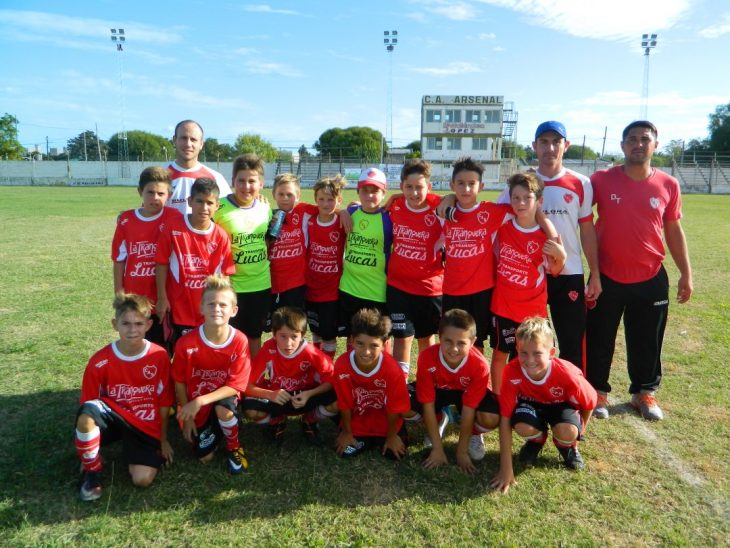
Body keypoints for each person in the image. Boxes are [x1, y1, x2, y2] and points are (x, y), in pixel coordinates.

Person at [586, 121, 692, 421]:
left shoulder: (668, 184)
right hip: (606, 275)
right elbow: (579, 215)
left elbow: (673, 229)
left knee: (647, 338)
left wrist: (686, 272)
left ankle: (644, 392)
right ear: (622, 146)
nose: (638, 144)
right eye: (631, 139)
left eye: (645, 139)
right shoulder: (601, 180)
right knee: (599, 336)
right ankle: (597, 392)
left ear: (655, 145)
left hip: (650, 276)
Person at [75, 293, 174, 501]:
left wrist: (163, 439)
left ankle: (130, 448)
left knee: (142, 479)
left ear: (148, 325)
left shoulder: (159, 355)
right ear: (115, 324)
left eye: (138, 323)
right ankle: (92, 471)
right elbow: (88, 403)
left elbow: (164, 401)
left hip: (143, 423)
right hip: (114, 416)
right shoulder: (100, 361)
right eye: (126, 323)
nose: (132, 330)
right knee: (86, 416)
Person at [491, 317, 597, 494]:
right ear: (516, 349)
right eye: (523, 353)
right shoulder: (511, 371)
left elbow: (589, 403)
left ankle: (566, 447)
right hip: (532, 406)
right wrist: (506, 469)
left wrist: (579, 434)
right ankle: (536, 440)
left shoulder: (567, 374)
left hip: (560, 406)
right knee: (522, 427)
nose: (530, 360)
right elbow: (505, 418)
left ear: (552, 352)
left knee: (568, 432)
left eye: (537, 353)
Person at [531, 121, 601, 369]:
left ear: (566, 145)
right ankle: (530, 396)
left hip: (570, 273)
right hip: (530, 274)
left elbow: (587, 229)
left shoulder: (580, 183)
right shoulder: (522, 181)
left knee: (571, 342)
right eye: (544, 142)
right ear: (534, 146)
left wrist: (595, 273)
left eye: (556, 142)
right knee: (529, 342)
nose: (550, 147)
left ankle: (571, 399)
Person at [490, 172, 566, 394]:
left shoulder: (545, 237)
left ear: (539, 201)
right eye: (516, 198)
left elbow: (554, 270)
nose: (521, 203)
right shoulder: (503, 226)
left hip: (533, 310)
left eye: (527, 198)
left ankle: (530, 395)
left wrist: (560, 256)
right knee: (500, 353)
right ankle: (497, 398)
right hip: (503, 306)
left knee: (533, 355)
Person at [171, 275, 251, 474]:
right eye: (211, 303)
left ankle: (234, 446)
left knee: (224, 410)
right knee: (205, 457)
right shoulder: (185, 343)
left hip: (221, 397)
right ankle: (217, 428)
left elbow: (235, 385)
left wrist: (199, 401)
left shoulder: (239, 341)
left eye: (223, 305)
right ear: (201, 308)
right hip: (195, 401)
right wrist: (187, 415)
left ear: (234, 311)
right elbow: (179, 381)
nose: (217, 309)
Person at [406, 309, 499, 474]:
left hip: (465, 395)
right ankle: (439, 419)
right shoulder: (427, 357)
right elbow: (427, 403)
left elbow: (470, 408)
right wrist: (437, 448)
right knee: (402, 403)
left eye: (461, 343)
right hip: (439, 392)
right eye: (448, 341)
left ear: (473, 341)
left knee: (492, 416)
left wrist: (461, 452)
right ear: (439, 338)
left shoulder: (479, 365)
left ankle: (474, 434)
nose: (454, 349)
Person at [439, 157, 513, 352]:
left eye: (472, 184)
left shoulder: (491, 211)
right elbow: (417, 199)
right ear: (452, 185)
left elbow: (526, 205)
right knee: (450, 338)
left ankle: (477, 382)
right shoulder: (444, 212)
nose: (466, 189)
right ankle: (453, 381)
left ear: (481, 186)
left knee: (476, 340)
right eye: (461, 184)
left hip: (482, 290)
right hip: (452, 290)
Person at [155, 178, 235, 345]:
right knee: (177, 355)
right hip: (178, 308)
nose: (204, 208)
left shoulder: (220, 236)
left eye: (209, 203)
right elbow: (161, 263)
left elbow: (225, 277)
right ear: (190, 201)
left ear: (217, 206)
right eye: (199, 201)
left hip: (207, 310)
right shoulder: (173, 226)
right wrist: (162, 298)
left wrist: (220, 307)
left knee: (204, 355)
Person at [242, 306, 337, 445]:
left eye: (294, 336)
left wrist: (310, 394)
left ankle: (310, 419)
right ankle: (277, 420)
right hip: (278, 397)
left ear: (302, 335)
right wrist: (270, 394)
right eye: (283, 336)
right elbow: (247, 385)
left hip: (304, 396)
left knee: (339, 400)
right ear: (273, 334)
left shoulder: (311, 352)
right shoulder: (268, 349)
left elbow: (332, 379)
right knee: (249, 409)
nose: (288, 343)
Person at [387, 159, 444, 377]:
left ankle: (425, 387)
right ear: (401, 187)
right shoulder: (395, 205)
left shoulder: (439, 207)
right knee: (401, 338)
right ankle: (401, 390)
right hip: (399, 287)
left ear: (428, 187)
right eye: (409, 187)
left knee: (426, 339)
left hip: (430, 289)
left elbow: (454, 201)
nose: (414, 192)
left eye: (419, 187)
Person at [111, 166, 181, 346]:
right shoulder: (126, 220)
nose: (155, 198)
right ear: (140, 192)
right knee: (137, 345)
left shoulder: (174, 217)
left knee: (163, 348)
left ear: (169, 195)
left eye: (161, 193)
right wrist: (119, 292)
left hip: (165, 299)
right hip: (135, 298)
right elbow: (119, 260)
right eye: (150, 192)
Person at [213, 154, 272, 358]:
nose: (246, 186)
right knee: (228, 336)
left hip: (260, 284)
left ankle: (253, 382)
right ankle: (231, 382)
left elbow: (267, 240)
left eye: (252, 181)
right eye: (241, 180)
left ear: (261, 184)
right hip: (230, 285)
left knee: (254, 336)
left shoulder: (265, 209)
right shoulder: (218, 207)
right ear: (232, 182)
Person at [332, 308, 411, 459]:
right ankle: (361, 437)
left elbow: (395, 406)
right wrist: (347, 432)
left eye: (374, 345)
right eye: (360, 343)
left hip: (387, 422)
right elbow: (344, 402)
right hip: (358, 420)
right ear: (351, 340)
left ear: (384, 344)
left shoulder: (393, 370)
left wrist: (392, 435)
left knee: (393, 455)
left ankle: (386, 437)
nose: (366, 352)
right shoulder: (342, 364)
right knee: (345, 453)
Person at [337, 168, 393, 339]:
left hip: (376, 291)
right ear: (358, 192)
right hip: (349, 288)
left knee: (379, 338)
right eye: (365, 191)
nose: (369, 195)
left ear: (384, 192)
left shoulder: (389, 218)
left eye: (375, 191)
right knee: (352, 337)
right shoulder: (352, 212)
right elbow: (329, 208)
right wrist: (342, 211)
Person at [303, 175, 347, 359]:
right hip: (311, 288)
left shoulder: (342, 221)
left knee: (329, 335)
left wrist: (344, 211)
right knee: (315, 332)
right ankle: (317, 366)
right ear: (315, 199)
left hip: (332, 290)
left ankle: (326, 369)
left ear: (339, 200)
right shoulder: (309, 220)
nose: (326, 203)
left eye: (331, 199)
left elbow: (357, 209)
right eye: (321, 199)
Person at [268, 173, 318, 321]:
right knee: (276, 325)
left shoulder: (303, 211)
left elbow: (326, 208)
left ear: (298, 195)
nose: (285, 198)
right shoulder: (268, 214)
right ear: (274, 195)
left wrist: (343, 212)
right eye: (281, 194)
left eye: (289, 194)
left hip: (297, 282)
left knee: (295, 324)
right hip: (272, 282)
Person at [167, 120, 232, 215]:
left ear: (201, 144)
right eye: (183, 138)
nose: (188, 144)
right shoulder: (160, 176)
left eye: (193, 139)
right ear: (174, 140)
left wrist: (255, 199)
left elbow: (231, 211)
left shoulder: (216, 178)